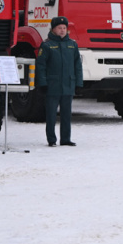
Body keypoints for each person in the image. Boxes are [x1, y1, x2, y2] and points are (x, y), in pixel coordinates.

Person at [36, 16, 83, 147]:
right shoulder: (47, 45)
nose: (62, 30)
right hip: (53, 86)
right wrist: (42, 83)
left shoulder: (72, 45)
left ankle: (66, 139)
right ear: (53, 29)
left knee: (66, 114)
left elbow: (77, 66)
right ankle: (51, 139)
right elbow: (41, 66)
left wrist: (79, 83)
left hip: (68, 85)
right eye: (59, 28)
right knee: (51, 114)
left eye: (64, 28)